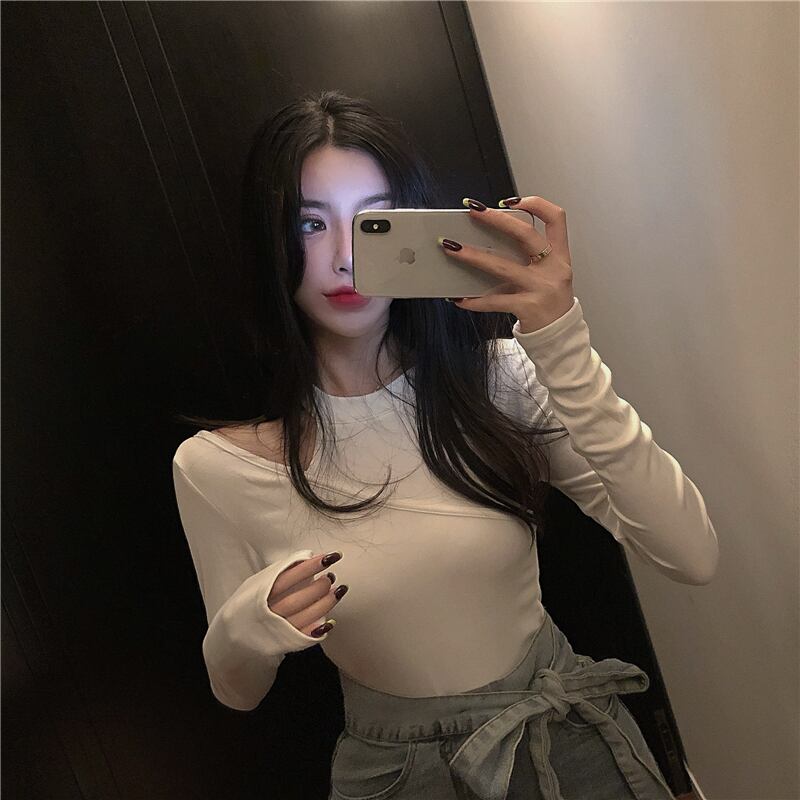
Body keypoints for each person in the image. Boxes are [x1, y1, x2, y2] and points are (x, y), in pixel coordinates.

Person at [172, 89, 718, 800]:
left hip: (567, 736)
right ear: (270, 239)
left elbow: (690, 554)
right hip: (399, 775)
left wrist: (562, 344)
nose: (345, 257)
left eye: (373, 222)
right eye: (310, 223)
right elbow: (236, 689)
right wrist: (254, 621)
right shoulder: (217, 467)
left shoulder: (502, 381)